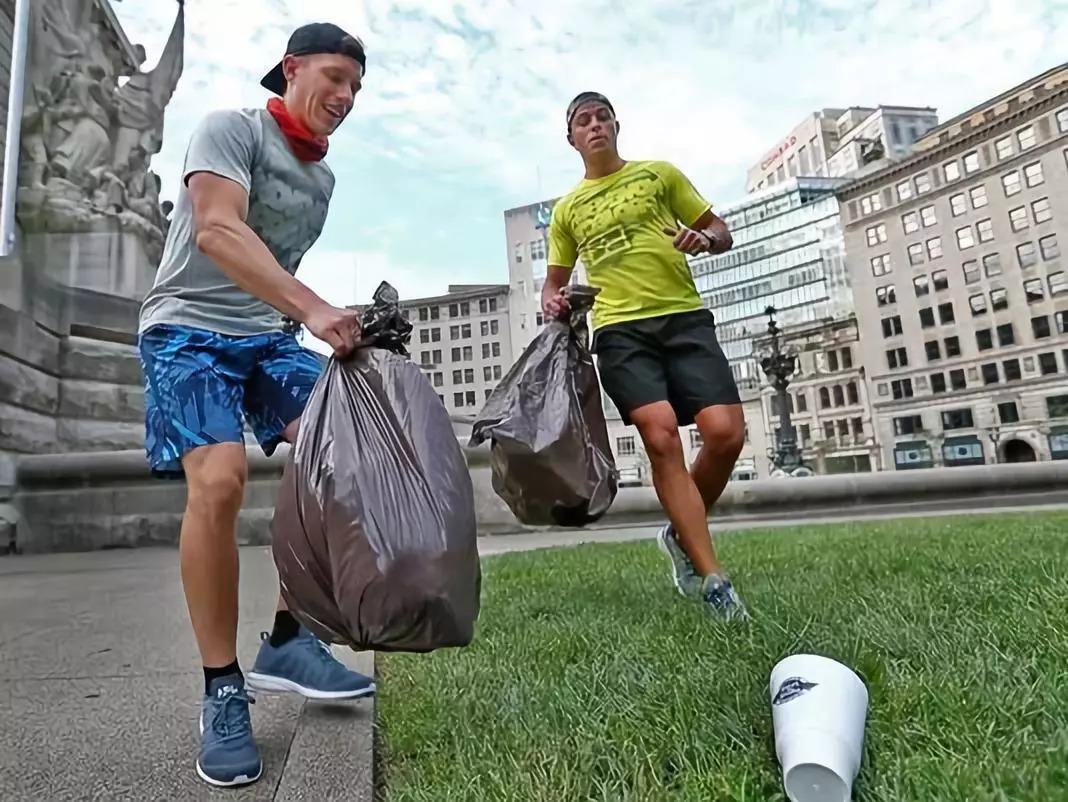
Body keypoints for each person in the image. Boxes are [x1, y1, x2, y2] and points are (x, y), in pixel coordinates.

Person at [137, 23, 376, 788]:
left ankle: (287, 635)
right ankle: (222, 688)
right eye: (334, 77)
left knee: (349, 455)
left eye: (356, 89)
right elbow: (216, 230)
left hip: (264, 336)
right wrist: (313, 309)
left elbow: (279, 271)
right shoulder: (227, 129)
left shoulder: (324, 182)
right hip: (186, 330)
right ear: (292, 68)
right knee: (219, 481)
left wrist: (314, 325)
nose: (344, 98)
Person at [543, 92, 749, 621]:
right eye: (583, 122)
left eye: (602, 118)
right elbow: (554, 284)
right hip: (619, 329)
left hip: (683, 316)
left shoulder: (659, 175)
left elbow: (721, 231)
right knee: (660, 435)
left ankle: (681, 532)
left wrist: (703, 239)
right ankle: (714, 583)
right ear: (571, 139)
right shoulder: (567, 210)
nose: (595, 126)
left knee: (726, 433)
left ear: (616, 126)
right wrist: (554, 300)